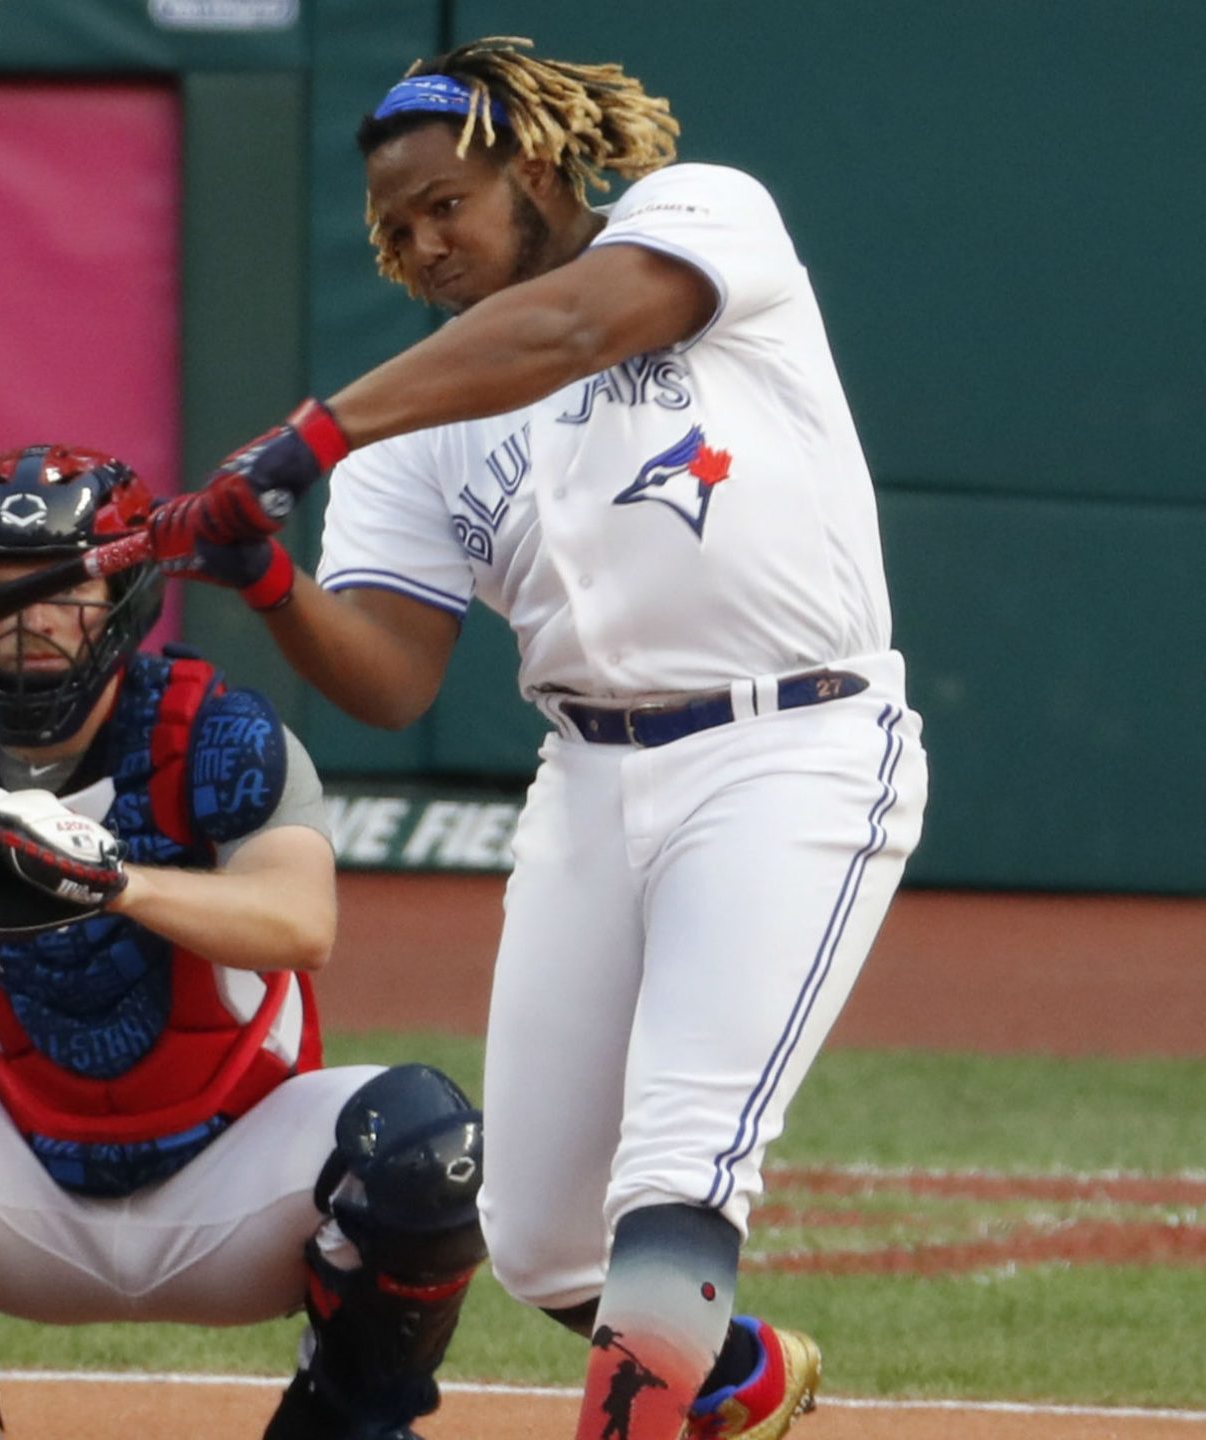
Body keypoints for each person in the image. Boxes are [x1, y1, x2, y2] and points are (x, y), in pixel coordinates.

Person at [151, 35, 931, 1440]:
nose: (424, 241)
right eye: (395, 227)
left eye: (446, 201)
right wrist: (269, 575)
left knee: (678, 1171)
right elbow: (391, 678)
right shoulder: (413, 428)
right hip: (587, 781)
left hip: (790, 750)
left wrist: (303, 440)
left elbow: (571, 330)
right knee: (540, 1237)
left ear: (535, 162)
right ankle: (741, 1377)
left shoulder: (699, 217)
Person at [0, 444, 487, 1440]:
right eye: (1, 590)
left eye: (69, 589)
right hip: (20, 1194)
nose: (35, 617)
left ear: (126, 599)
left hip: (235, 1183)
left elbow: (298, 925)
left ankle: (344, 1420)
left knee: (427, 1143)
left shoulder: (218, 737)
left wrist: (110, 884)